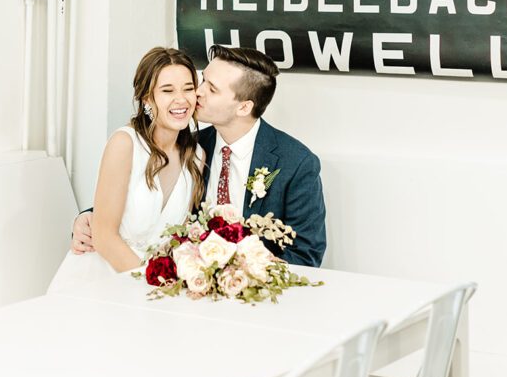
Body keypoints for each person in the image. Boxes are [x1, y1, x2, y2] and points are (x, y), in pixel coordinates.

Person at [71, 44, 327, 268]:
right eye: (201, 81)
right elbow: (137, 201)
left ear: (244, 107)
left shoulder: (295, 162)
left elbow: (305, 256)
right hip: (169, 287)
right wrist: (88, 216)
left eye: (211, 89)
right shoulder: (194, 147)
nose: (197, 93)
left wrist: (246, 275)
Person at [47, 46, 205, 293]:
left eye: (188, 88)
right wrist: (152, 284)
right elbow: (104, 236)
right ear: (147, 99)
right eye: (167, 90)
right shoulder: (125, 144)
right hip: (103, 279)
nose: (181, 99)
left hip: (156, 286)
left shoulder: (195, 156)